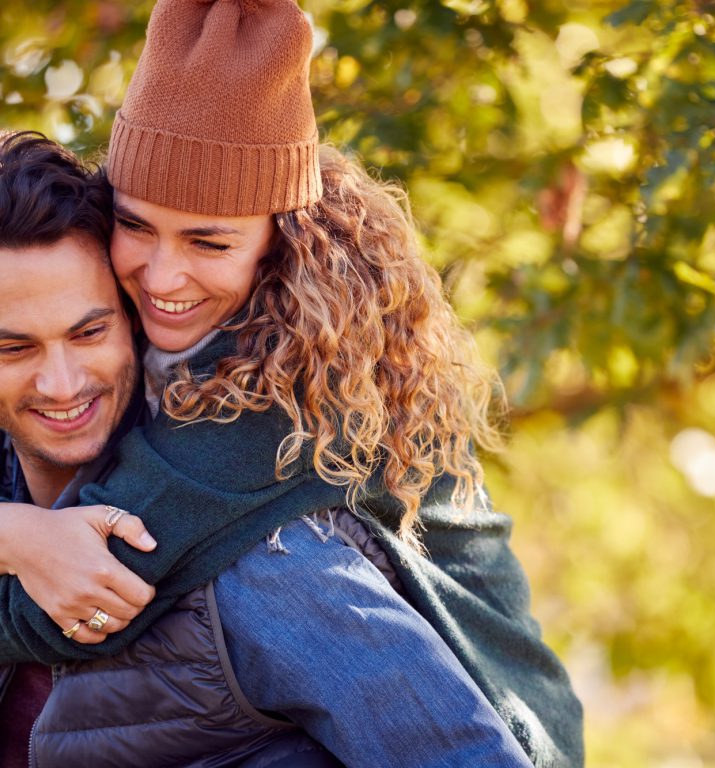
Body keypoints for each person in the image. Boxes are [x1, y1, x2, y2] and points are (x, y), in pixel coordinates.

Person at [0, 0, 584, 765]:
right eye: (136, 225)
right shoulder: (151, 331)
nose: (161, 273)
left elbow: (84, 595)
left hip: (493, 716)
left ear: (284, 240)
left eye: (208, 241)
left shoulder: (295, 410)